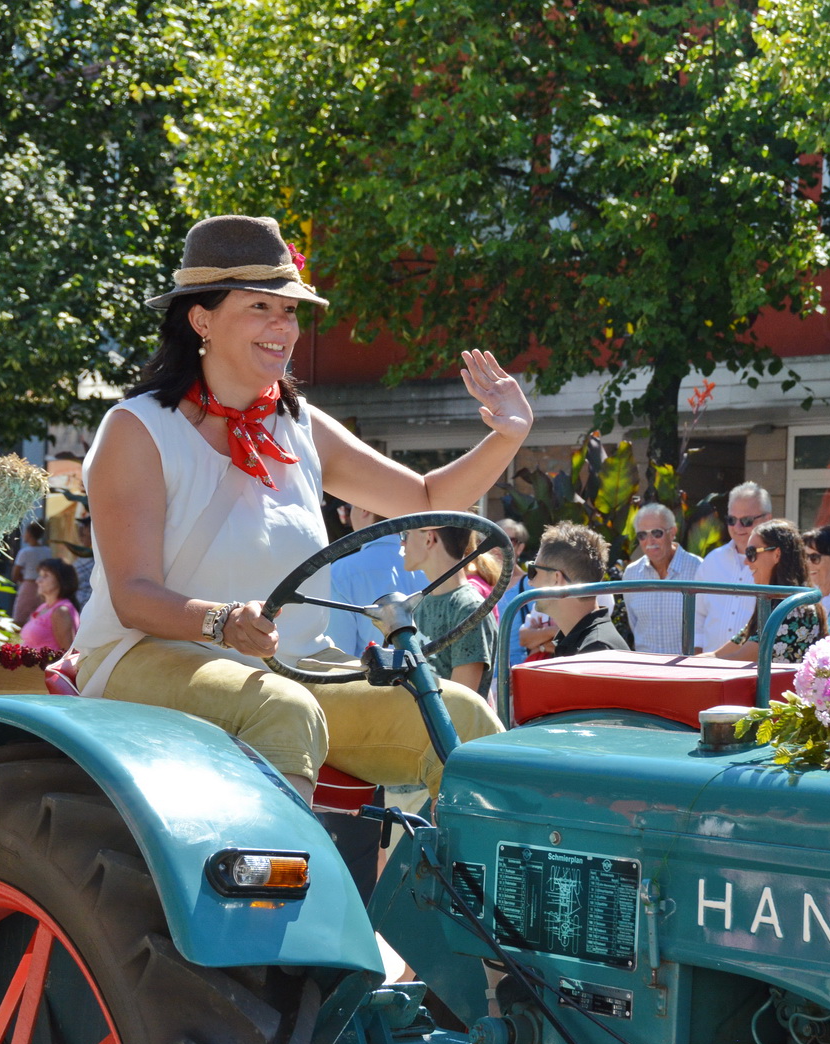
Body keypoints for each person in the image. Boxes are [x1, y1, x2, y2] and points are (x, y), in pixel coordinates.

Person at [70, 214, 531, 799]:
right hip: (145, 658)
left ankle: (470, 889)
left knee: (457, 714)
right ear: (201, 318)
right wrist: (224, 621)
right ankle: (284, 888)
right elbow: (133, 596)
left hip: (293, 666)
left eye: (288, 310)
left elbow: (427, 499)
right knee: (283, 710)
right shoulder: (137, 429)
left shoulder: (301, 425)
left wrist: (509, 435)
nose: (282, 326)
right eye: (259, 307)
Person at [400, 525, 498, 694]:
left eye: (406, 534)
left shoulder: (468, 609)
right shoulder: (420, 604)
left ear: (429, 538)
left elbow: (461, 702)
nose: (402, 543)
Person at [715, 519, 824, 663]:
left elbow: (738, 660)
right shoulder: (773, 603)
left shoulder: (794, 609)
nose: (746, 562)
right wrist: (682, 662)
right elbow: (720, 655)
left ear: (777, 554)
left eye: (751, 553)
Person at [326, 503, 425, 657]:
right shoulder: (427, 564)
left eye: (352, 505)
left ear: (364, 509)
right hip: (436, 678)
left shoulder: (340, 572)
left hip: (373, 679)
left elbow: (339, 654)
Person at [694, 482, 771, 652]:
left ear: (767, 519)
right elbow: (697, 616)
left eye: (746, 521)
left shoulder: (777, 564)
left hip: (756, 672)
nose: (737, 527)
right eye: (731, 520)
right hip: (710, 669)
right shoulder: (712, 561)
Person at [529, 523, 627, 655]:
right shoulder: (584, 642)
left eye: (533, 571)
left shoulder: (596, 650)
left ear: (556, 578)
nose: (530, 582)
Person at [622, 503, 703, 654]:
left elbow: (708, 626)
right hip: (647, 670)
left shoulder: (699, 569)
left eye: (657, 533)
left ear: (672, 532)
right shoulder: (631, 574)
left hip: (688, 670)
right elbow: (635, 625)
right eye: (642, 535)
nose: (649, 541)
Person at [496, 518, 537, 667]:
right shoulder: (478, 584)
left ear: (520, 548)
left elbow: (542, 635)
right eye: (494, 540)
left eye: (508, 541)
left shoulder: (529, 585)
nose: (500, 547)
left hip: (514, 673)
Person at [22, 558, 81, 651]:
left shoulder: (61, 611)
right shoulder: (43, 607)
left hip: (48, 665)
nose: (38, 581)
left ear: (61, 580)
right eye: (40, 575)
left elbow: (68, 654)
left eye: (45, 576)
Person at [11, 521, 54, 625]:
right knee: (41, 616)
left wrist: (22, 579)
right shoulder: (48, 551)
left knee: (20, 618)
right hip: (45, 586)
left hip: (28, 586)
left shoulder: (25, 552)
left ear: (29, 534)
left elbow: (15, 574)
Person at [71, 513, 95, 610]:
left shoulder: (93, 555)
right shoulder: (84, 553)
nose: (81, 530)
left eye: (84, 526)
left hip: (86, 604)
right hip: (81, 604)